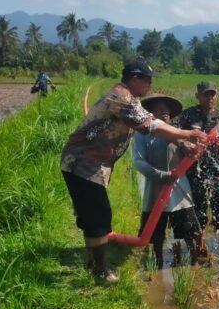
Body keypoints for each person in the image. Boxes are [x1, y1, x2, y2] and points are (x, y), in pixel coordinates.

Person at [60, 60, 207, 282]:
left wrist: (183, 139)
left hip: (91, 163)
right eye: (148, 80)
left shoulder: (131, 99)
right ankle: (100, 269)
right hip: (83, 162)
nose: (150, 84)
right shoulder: (121, 97)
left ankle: (92, 262)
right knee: (99, 216)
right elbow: (149, 126)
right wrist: (186, 134)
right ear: (135, 79)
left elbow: (152, 122)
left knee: (92, 215)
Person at [133, 94, 202, 268]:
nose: (164, 113)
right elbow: (139, 162)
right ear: (150, 114)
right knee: (155, 237)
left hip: (179, 189)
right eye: (160, 109)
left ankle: (195, 266)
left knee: (191, 232)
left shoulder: (179, 133)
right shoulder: (141, 136)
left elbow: (193, 152)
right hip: (155, 189)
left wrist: (191, 147)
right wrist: (161, 175)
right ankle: (157, 267)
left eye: (167, 110)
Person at [172, 81, 219, 264]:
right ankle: (200, 252)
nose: (210, 97)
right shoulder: (188, 116)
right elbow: (172, 132)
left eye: (212, 94)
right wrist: (184, 143)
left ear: (217, 96)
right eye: (206, 94)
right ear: (198, 96)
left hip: (217, 175)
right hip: (194, 175)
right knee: (198, 217)